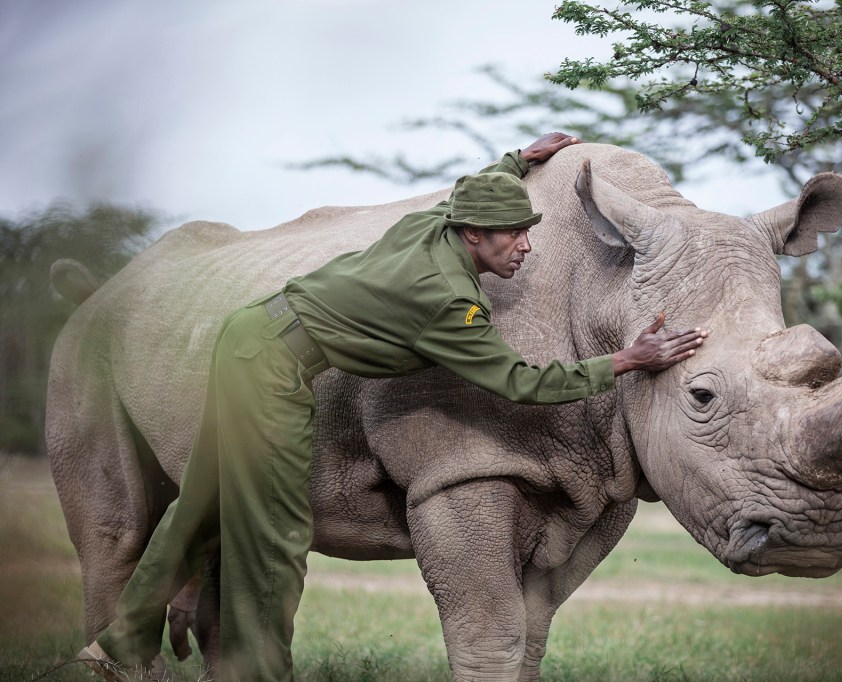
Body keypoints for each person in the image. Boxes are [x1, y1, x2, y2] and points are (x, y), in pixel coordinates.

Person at [78, 132, 708, 681]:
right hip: (270, 372)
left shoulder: (428, 227)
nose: (526, 247)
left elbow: (467, 189)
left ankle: (118, 645)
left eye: (528, 231)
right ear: (474, 235)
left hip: (248, 336)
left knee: (205, 503)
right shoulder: (449, 301)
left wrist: (519, 160)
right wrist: (628, 359)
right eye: (513, 235)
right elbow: (521, 381)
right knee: (275, 534)